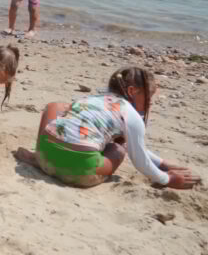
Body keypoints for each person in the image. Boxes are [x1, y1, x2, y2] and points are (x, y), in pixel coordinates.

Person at [14, 66, 201, 189]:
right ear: (132, 92)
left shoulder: (95, 99)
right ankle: (73, 163)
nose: (150, 103)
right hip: (80, 173)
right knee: (119, 146)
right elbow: (139, 158)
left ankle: (38, 155)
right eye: (149, 97)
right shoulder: (131, 115)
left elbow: (138, 148)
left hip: (46, 157)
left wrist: (163, 163)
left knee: (55, 106)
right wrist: (167, 178)